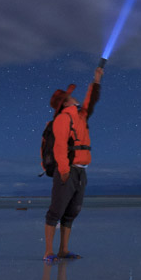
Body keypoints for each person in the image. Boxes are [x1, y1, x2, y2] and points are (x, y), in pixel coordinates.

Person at [43, 66, 103, 260]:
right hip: (67, 171)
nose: (74, 96)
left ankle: (64, 250)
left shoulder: (80, 116)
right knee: (56, 212)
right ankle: (49, 252)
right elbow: (59, 145)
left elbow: (90, 101)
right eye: (71, 95)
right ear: (65, 102)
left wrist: (96, 80)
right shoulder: (63, 118)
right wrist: (64, 170)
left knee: (72, 212)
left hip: (81, 171)